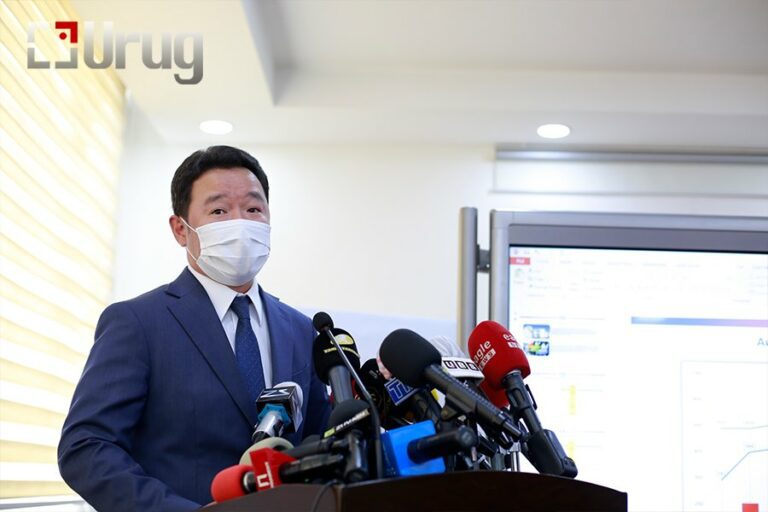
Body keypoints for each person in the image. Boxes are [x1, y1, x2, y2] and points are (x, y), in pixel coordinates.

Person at [58, 146, 331, 511]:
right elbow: (86, 447)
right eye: (219, 211)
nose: (240, 223)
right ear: (180, 230)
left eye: (253, 209)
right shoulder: (138, 322)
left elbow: (320, 442)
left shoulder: (300, 330)